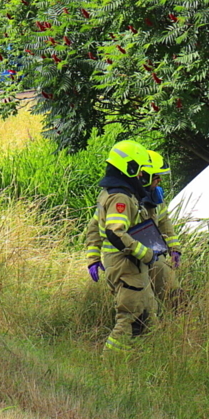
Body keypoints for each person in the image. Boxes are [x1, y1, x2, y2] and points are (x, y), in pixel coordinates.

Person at [85, 140, 163, 355]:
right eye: (139, 171)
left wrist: (93, 258)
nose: (141, 177)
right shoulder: (121, 197)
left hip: (128, 267)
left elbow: (93, 227)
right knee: (129, 317)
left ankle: (145, 360)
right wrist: (146, 254)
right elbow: (115, 232)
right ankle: (110, 363)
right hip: (127, 266)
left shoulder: (109, 193)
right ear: (129, 167)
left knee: (148, 314)